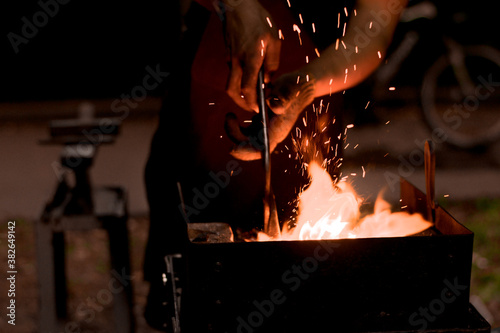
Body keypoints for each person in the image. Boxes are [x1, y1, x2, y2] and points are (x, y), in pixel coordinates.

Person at [143, 0, 407, 330]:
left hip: (312, 100)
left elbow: (372, 28)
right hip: (204, 94)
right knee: (196, 295)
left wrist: (307, 84)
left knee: (303, 295)